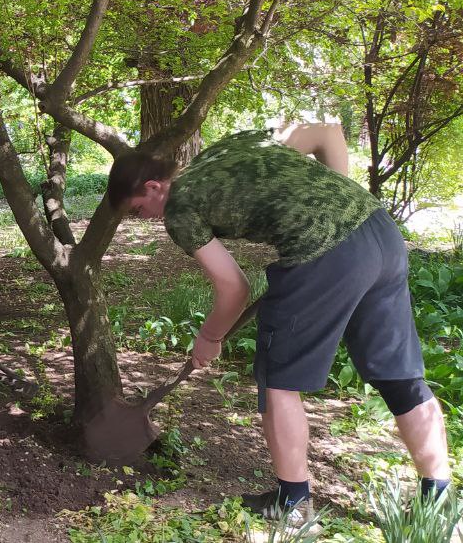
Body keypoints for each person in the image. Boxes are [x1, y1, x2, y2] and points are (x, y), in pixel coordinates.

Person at [106, 124, 451, 525]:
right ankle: (440, 498)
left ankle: (293, 504)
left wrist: (210, 337)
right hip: (379, 231)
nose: (143, 218)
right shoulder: (230, 143)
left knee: (278, 380)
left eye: (136, 210)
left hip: (325, 255)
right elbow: (326, 133)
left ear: (152, 187)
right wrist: (336, 206)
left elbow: (233, 287)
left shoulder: (179, 210)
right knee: (399, 374)